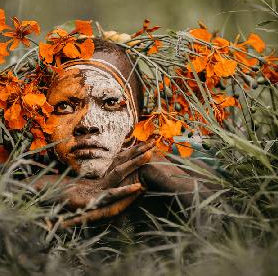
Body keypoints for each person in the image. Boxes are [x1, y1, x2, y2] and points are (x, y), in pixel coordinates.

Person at [32, 39, 216, 227]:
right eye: (64, 106)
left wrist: (164, 176)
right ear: (38, 121)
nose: (87, 124)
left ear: (142, 121)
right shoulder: (21, 175)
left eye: (111, 102)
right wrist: (36, 187)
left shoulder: (189, 171)